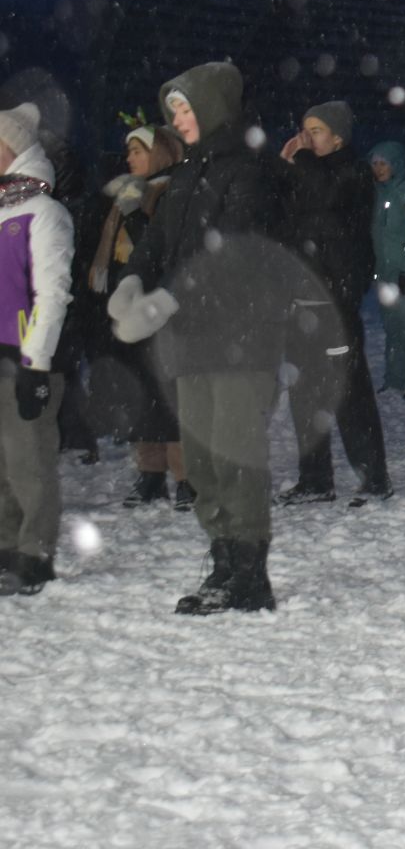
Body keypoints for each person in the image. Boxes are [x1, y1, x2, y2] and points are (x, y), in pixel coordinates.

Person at [113, 63, 294, 614]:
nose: (179, 120)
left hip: (240, 338)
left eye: (187, 108)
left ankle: (248, 573)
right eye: (174, 112)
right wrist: (131, 281)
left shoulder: (247, 172)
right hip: (190, 342)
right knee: (202, 459)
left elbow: (228, 251)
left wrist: (168, 297)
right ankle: (221, 558)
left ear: (214, 107)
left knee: (234, 454)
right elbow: (159, 240)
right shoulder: (187, 174)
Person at [278, 101, 390, 507]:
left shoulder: (352, 171)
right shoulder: (306, 171)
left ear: (338, 137)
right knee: (304, 392)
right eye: (304, 129)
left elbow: (326, 201)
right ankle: (315, 479)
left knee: (347, 391)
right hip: (300, 299)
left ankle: (373, 478)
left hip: (335, 300)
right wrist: (285, 168)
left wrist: (303, 160)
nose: (307, 138)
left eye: (317, 131)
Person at [91, 125, 191, 509]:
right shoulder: (129, 193)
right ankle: (150, 474)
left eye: (138, 150)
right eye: (128, 151)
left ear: (161, 153)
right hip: (130, 303)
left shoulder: (173, 191)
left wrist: (134, 214)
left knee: (171, 394)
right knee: (141, 393)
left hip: (163, 305)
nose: (130, 158)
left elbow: (162, 246)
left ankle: (186, 477)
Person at [0, 104, 75, 596]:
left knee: (29, 460)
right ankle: (7, 543)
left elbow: (53, 292)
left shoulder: (43, 213)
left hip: (26, 357)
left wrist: (37, 364)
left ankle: (35, 552)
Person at [367, 141, 405, 395]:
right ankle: (395, 378)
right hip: (386, 273)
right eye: (375, 163)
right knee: (392, 328)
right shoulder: (376, 194)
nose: (379, 168)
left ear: (396, 165)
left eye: (384, 163)